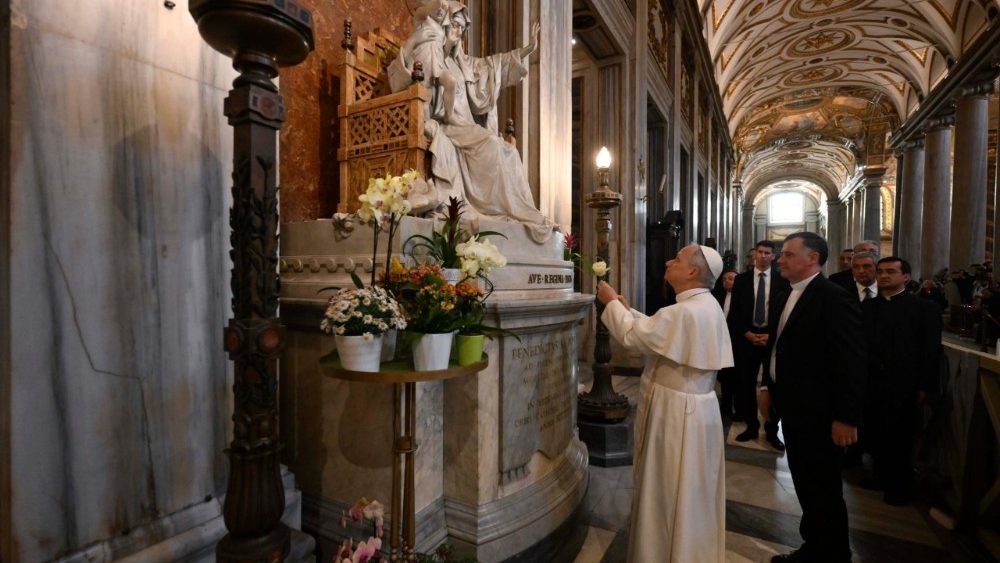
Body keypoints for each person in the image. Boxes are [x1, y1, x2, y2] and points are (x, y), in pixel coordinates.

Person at [597, 244, 733, 562]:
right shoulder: (702, 305)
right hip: (694, 411)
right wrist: (625, 310)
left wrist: (609, 302)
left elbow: (634, 339)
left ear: (693, 272)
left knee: (669, 490)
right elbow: (656, 332)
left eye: (679, 259)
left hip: (677, 415)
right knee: (689, 492)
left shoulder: (685, 311)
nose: (670, 261)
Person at [389, 5, 556, 242]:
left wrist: (526, 50)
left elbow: (491, 65)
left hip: (464, 126)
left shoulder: (462, 63)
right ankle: (498, 208)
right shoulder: (429, 50)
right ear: (445, 25)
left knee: (508, 150)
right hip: (449, 126)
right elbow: (409, 86)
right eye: (454, 25)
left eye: (462, 28)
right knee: (493, 145)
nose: (458, 32)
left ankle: (519, 212)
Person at [760, 232, 866, 563]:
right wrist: (766, 386)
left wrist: (846, 417)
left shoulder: (833, 297)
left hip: (821, 413)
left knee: (824, 488)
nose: (781, 259)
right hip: (791, 407)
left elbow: (851, 360)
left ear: (813, 258)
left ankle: (833, 555)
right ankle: (815, 547)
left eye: (789, 254)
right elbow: (775, 348)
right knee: (806, 483)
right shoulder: (782, 296)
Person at [861, 257, 941, 506]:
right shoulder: (867, 307)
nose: (884, 276)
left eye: (891, 272)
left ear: (905, 277)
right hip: (872, 382)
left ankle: (901, 487)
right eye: (881, 271)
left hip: (905, 384)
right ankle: (880, 477)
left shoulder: (923, 308)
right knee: (875, 431)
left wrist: (925, 386)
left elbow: (930, 350)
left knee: (901, 436)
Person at [730, 240, 789, 449]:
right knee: (745, 383)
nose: (763, 256)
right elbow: (734, 312)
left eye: (768, 253)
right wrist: (746, 333)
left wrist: (771, 335)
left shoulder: (783, 281)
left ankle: (772, 430)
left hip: (771, 337)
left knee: (773, 383)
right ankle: (752, 426)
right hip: (747, 337)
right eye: (760, 252)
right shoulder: (742, 280)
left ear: (773, 257)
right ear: (754, 254)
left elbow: (785, 312)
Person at [713, 270, 739, 419]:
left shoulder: (741, 297)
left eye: (730, 279)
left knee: (737, 378)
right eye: (724, 279)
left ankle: (739, 409)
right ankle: (726, 408)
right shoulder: (718, 297)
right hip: (721, 342)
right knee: (724, 378)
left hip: (736, 343)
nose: (726, 282)